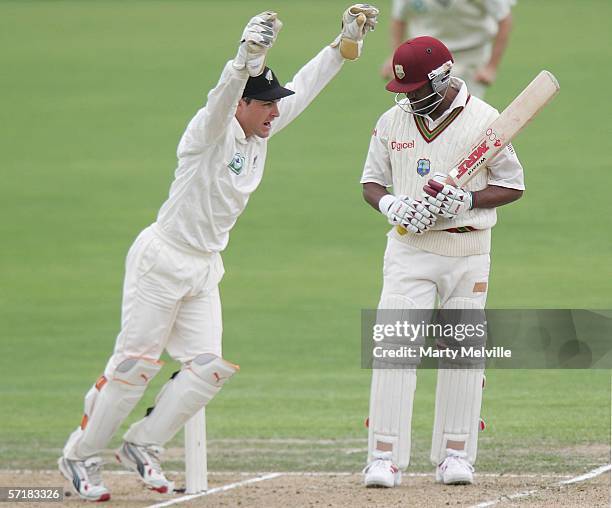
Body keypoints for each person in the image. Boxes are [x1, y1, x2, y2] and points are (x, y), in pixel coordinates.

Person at [57, 5, 379, 502]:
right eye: (265, 103)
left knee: (207, 369)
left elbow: (305, 88)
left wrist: (342, 46)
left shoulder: (260, 132)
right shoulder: (209, 133)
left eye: (275, 104)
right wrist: (246, 58)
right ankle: (79, 455)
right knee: (133, 368)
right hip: (162, 259)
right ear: (242, 105)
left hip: (204, 267)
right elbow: (219, 101)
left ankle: (142, 446)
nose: (275, 111)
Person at [360, 36, 524, 488]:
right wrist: (391, 205)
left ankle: (455, 454)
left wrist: (467, 198)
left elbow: (513, 185)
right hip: (409, 250)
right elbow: (371, 181)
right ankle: (383, 457)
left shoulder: (486, 122)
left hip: (468, 252)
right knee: (394, 348)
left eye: (416, 89)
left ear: (442, 77)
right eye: (404, 90)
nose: (409, 98)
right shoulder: (392, 121)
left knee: (463, 355)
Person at [380, 0, 515, 98]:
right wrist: (394, 56)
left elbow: (504, 19)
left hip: (470, 55)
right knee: (422, 109)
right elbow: (399, 18)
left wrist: (491, 67)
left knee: (463, 115)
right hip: (424, 57)